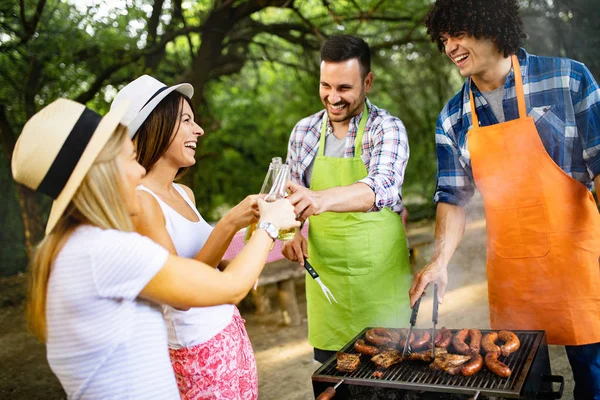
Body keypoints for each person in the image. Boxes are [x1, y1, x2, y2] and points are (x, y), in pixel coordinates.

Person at [11, 98, 299, 399]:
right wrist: (269, 226)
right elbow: (230, 288)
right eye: (131, 159)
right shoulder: (104, 251)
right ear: (102, 172)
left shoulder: (79, 248)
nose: (139, 173)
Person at [409, 0, 600, 397]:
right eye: (444, 39)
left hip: (577, 263)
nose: (450, 47)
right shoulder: (452, 117)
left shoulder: (568, 79)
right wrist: (439, 261)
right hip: (513, 276)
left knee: (595, 378)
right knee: (525, 387)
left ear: (491, 25)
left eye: (458, 34)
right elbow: (452, 198)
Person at [110, 75, 261, 399]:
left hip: (229, 331)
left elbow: (209, 255)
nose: (199, 130)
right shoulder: (141, 201)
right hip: (197, 353)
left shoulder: (184, 192)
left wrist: (266, 243)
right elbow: (180, 295)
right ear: (157, 126)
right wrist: (229, 222)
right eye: (187, 120)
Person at [282, 35, 412, 363]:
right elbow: (289, 198)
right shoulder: (303, 132)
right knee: (332, 382)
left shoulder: (387, 129)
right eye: (326, 86)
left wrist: (320, 199)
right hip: (328, 284)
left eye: (344, 88)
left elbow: (380, 187)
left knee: (390, 380)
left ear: (367, 82)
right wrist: (291, 231)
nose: (333, 97)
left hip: (381, 282)